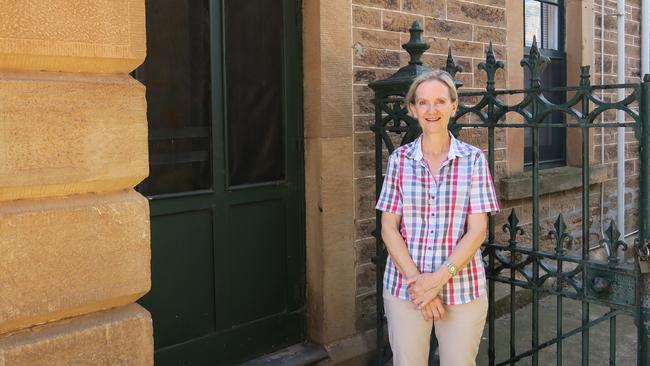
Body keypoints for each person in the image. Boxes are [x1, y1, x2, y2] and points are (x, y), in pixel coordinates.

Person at [376, 70, 500, 366]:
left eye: (440, 101)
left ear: (453, 107)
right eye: (423, 102)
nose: (432, 110)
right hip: (407, 288)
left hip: (462, 289)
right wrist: (420, 284)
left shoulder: (473, 160)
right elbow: (389, 228)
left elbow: (477, 230)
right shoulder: (399, 161)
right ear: (413, 108)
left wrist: (437, 280)